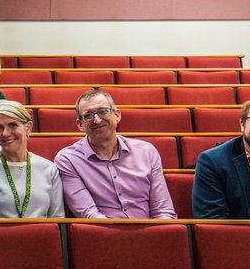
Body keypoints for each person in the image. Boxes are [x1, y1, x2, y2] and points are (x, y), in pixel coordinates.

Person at [54, 89, 176, 219]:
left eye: (103, 111)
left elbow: (163, 211)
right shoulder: (68, 159)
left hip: (151, 233)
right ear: (80, 124)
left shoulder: (146, 152)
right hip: (103, 235)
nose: (97, 120)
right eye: (88, 115)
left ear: (117, 115)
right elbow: (89, 214)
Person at [0, 101, 65, 218]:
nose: (5, 133)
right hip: (0, 235)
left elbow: (57, 218)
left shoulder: (49, 169)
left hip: (42, 235)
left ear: (28, 127)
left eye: (13, 125)